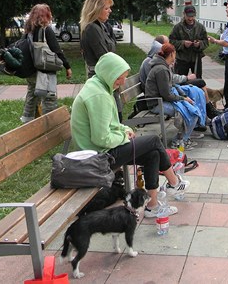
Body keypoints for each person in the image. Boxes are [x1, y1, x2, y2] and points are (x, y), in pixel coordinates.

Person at [70, 52, 189, 218]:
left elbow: (109, 124)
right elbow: (101, 139)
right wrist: (124, 137)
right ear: (108, 73)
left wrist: (123, 129)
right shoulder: (99, 96)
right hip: (99, 157)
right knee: (154, 140)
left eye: (124, 77)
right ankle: (174, 182)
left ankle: (152, 206)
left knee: (153, 153)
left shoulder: (99, 85)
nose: (123, 82)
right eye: (119, 77)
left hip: (102, 150)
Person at [144, 43, 204, 150]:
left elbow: (172, 85)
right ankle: (179, 142)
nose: (175, 57)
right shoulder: (161, 69)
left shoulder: (164, 66)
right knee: (191, 112)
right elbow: (166, 94)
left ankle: (183, 137)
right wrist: (183, 99)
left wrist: (183, 96)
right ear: (171, 54)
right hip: (156, 103)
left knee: (191, 109)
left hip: (162, 100)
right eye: (175, 54)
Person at [20, 4, 72, 123]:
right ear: (46, 15)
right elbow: (56, 49)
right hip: (44, 71)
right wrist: (67, 67)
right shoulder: (46, 30)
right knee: (49, 99)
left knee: (32, 97)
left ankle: (28, 123)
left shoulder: (28, 31)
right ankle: (49, 126)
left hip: (31, 71)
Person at [80, 0, 117, 78]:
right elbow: (104, 57)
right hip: (101, 78)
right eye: (106, 8)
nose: (110, 11)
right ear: (96, 10)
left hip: (105, 76)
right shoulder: (92, 28)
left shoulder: (101, 26)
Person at [169, 5, 209, 78]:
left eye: (192, 16)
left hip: (196, 58)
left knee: (198, 80)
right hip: (181, 58)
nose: (190, 18)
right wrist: (183, 43)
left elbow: (206, 41)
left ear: (195, 15)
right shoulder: (177, 27)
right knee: (180, 80)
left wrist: (199, 44)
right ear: (184, 14)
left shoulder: (200, 27)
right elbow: (171, 41)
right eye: (188, 16)